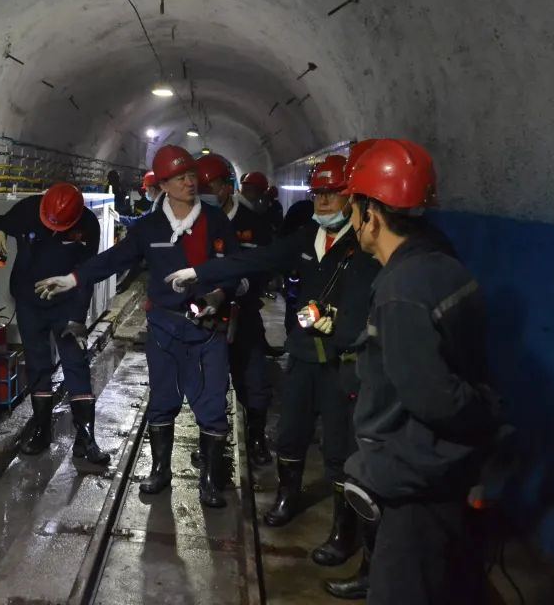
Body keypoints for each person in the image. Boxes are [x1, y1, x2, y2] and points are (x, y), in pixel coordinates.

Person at [164, 155, 380, 566]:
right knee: (292, 432)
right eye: (318, 193)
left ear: (352, 198)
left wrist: (340, 325)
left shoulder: (366, 246)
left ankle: (343, 530)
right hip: (302, 355)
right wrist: (200, 273)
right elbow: (257, 259)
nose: (323, 202)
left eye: (332, 194)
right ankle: (287, 496)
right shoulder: (306, 237)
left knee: (339, 447)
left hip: (342, 362)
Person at [333, 139, 497, 605]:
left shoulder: (401, 292)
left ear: (371, 215)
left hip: (418, 484)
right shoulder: (442, 267)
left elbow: (433, 397)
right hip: (446, 473)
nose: (351, 220)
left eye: (352, 208)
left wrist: (486, 411)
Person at [35, 145, 241, 508]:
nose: (189, 182)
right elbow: (115, 259)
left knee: (211, 402)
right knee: (162, 399)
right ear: (163, 184)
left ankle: (209, 480)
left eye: (191, 175)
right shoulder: (149, 227)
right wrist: (72, 279)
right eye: (180, 178)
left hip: (207, 328)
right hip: (165, 326)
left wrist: (219, 295)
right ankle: (160, 470)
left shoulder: (215, 221)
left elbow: (234, 267)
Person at [0, 182, 109, 468]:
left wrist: (78, 318)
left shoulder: (88, 224)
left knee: (75, 362)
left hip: (66, 303)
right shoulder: (28, 209)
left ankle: (86, 437)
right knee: (38, 363)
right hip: (29, 301)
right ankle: (42, 429)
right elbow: (0, 221)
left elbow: (87, 273)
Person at [195, 154, 275, 465]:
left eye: (212, 186)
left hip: (244, 311)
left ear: (228, 187)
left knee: (253, 376)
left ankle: (256, 437)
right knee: (208, 381)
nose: (207, 193)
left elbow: (266, 263)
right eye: (201, 188)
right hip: (208, 314)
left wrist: (246, 286)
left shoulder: (253, 223)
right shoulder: (197, 222)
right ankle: (211, 441)